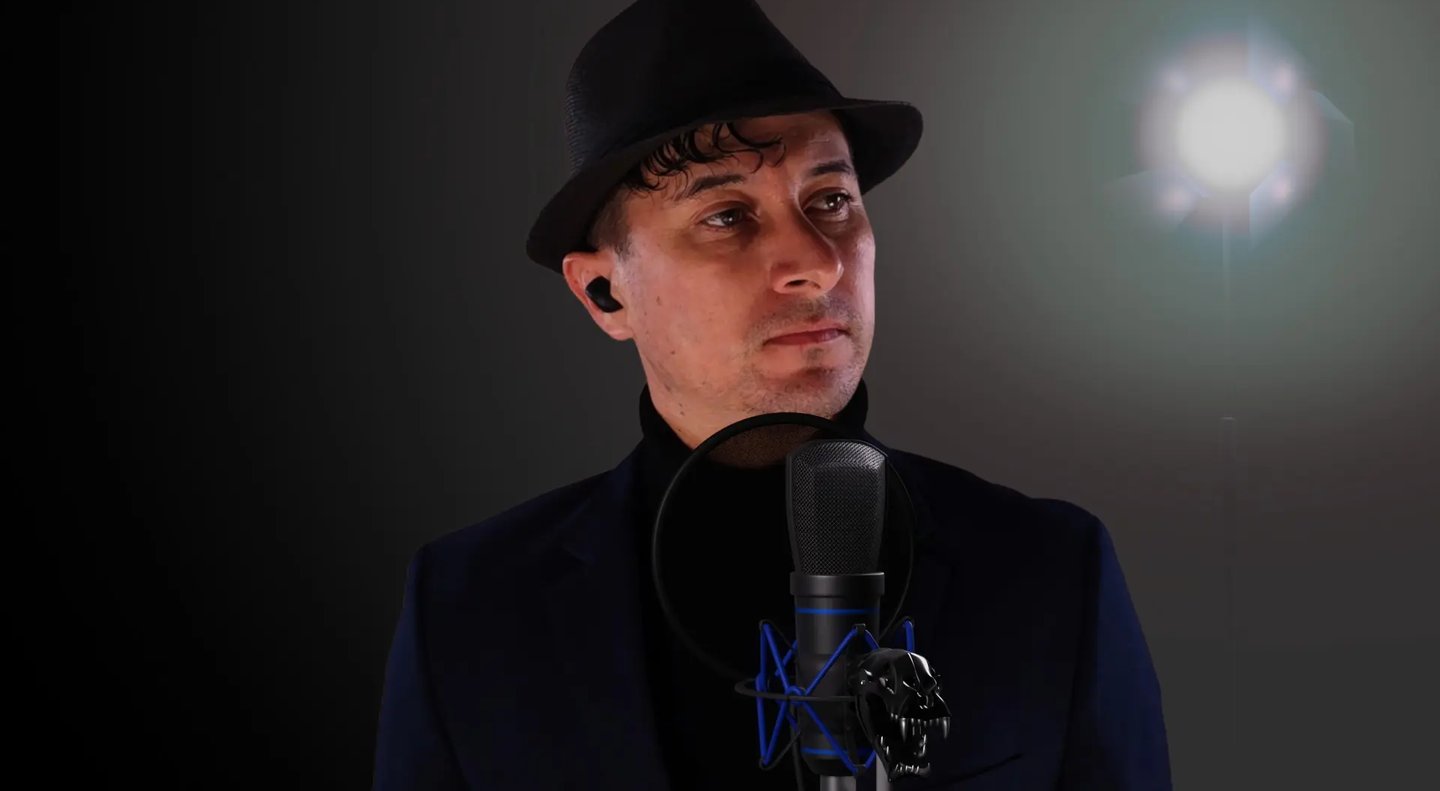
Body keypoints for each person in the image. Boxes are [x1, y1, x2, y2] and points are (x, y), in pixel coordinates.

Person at [372, 1, 1171, 789]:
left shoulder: (1050, 572)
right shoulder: (469, 607)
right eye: (726, 216)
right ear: (605, 293)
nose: (817, 263)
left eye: (831, 201)